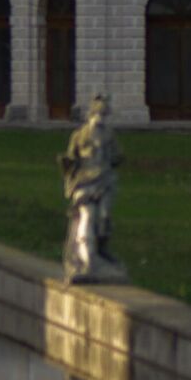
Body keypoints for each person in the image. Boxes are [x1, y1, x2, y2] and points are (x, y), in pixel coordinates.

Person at [60, 92, 127, 282]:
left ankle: (101, 252)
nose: (101, 118)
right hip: (84, 182)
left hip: (104, 181)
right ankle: (87, 263)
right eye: (98, 114)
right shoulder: (79, 135)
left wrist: (114, 158)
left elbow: (117, 156)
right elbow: (72, 159)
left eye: (104, 115)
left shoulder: (108, 135)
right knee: (87, 219)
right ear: (90, 115)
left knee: (103, 218)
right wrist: (67, 165)